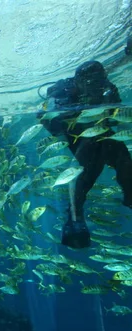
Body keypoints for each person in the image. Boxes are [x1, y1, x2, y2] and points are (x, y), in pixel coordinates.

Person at [38, 60, 132, 249]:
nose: (96, 87)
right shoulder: (62, 92)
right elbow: (47, 119)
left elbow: (117, 116)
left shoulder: (108, 88)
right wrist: (71, 120)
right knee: (88, 166)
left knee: (123, 159)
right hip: (76, 136)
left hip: (101, 133)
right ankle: (74, 216)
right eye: (90, 83)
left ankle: (129, 196)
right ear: (79, 81)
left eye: (100, 82)